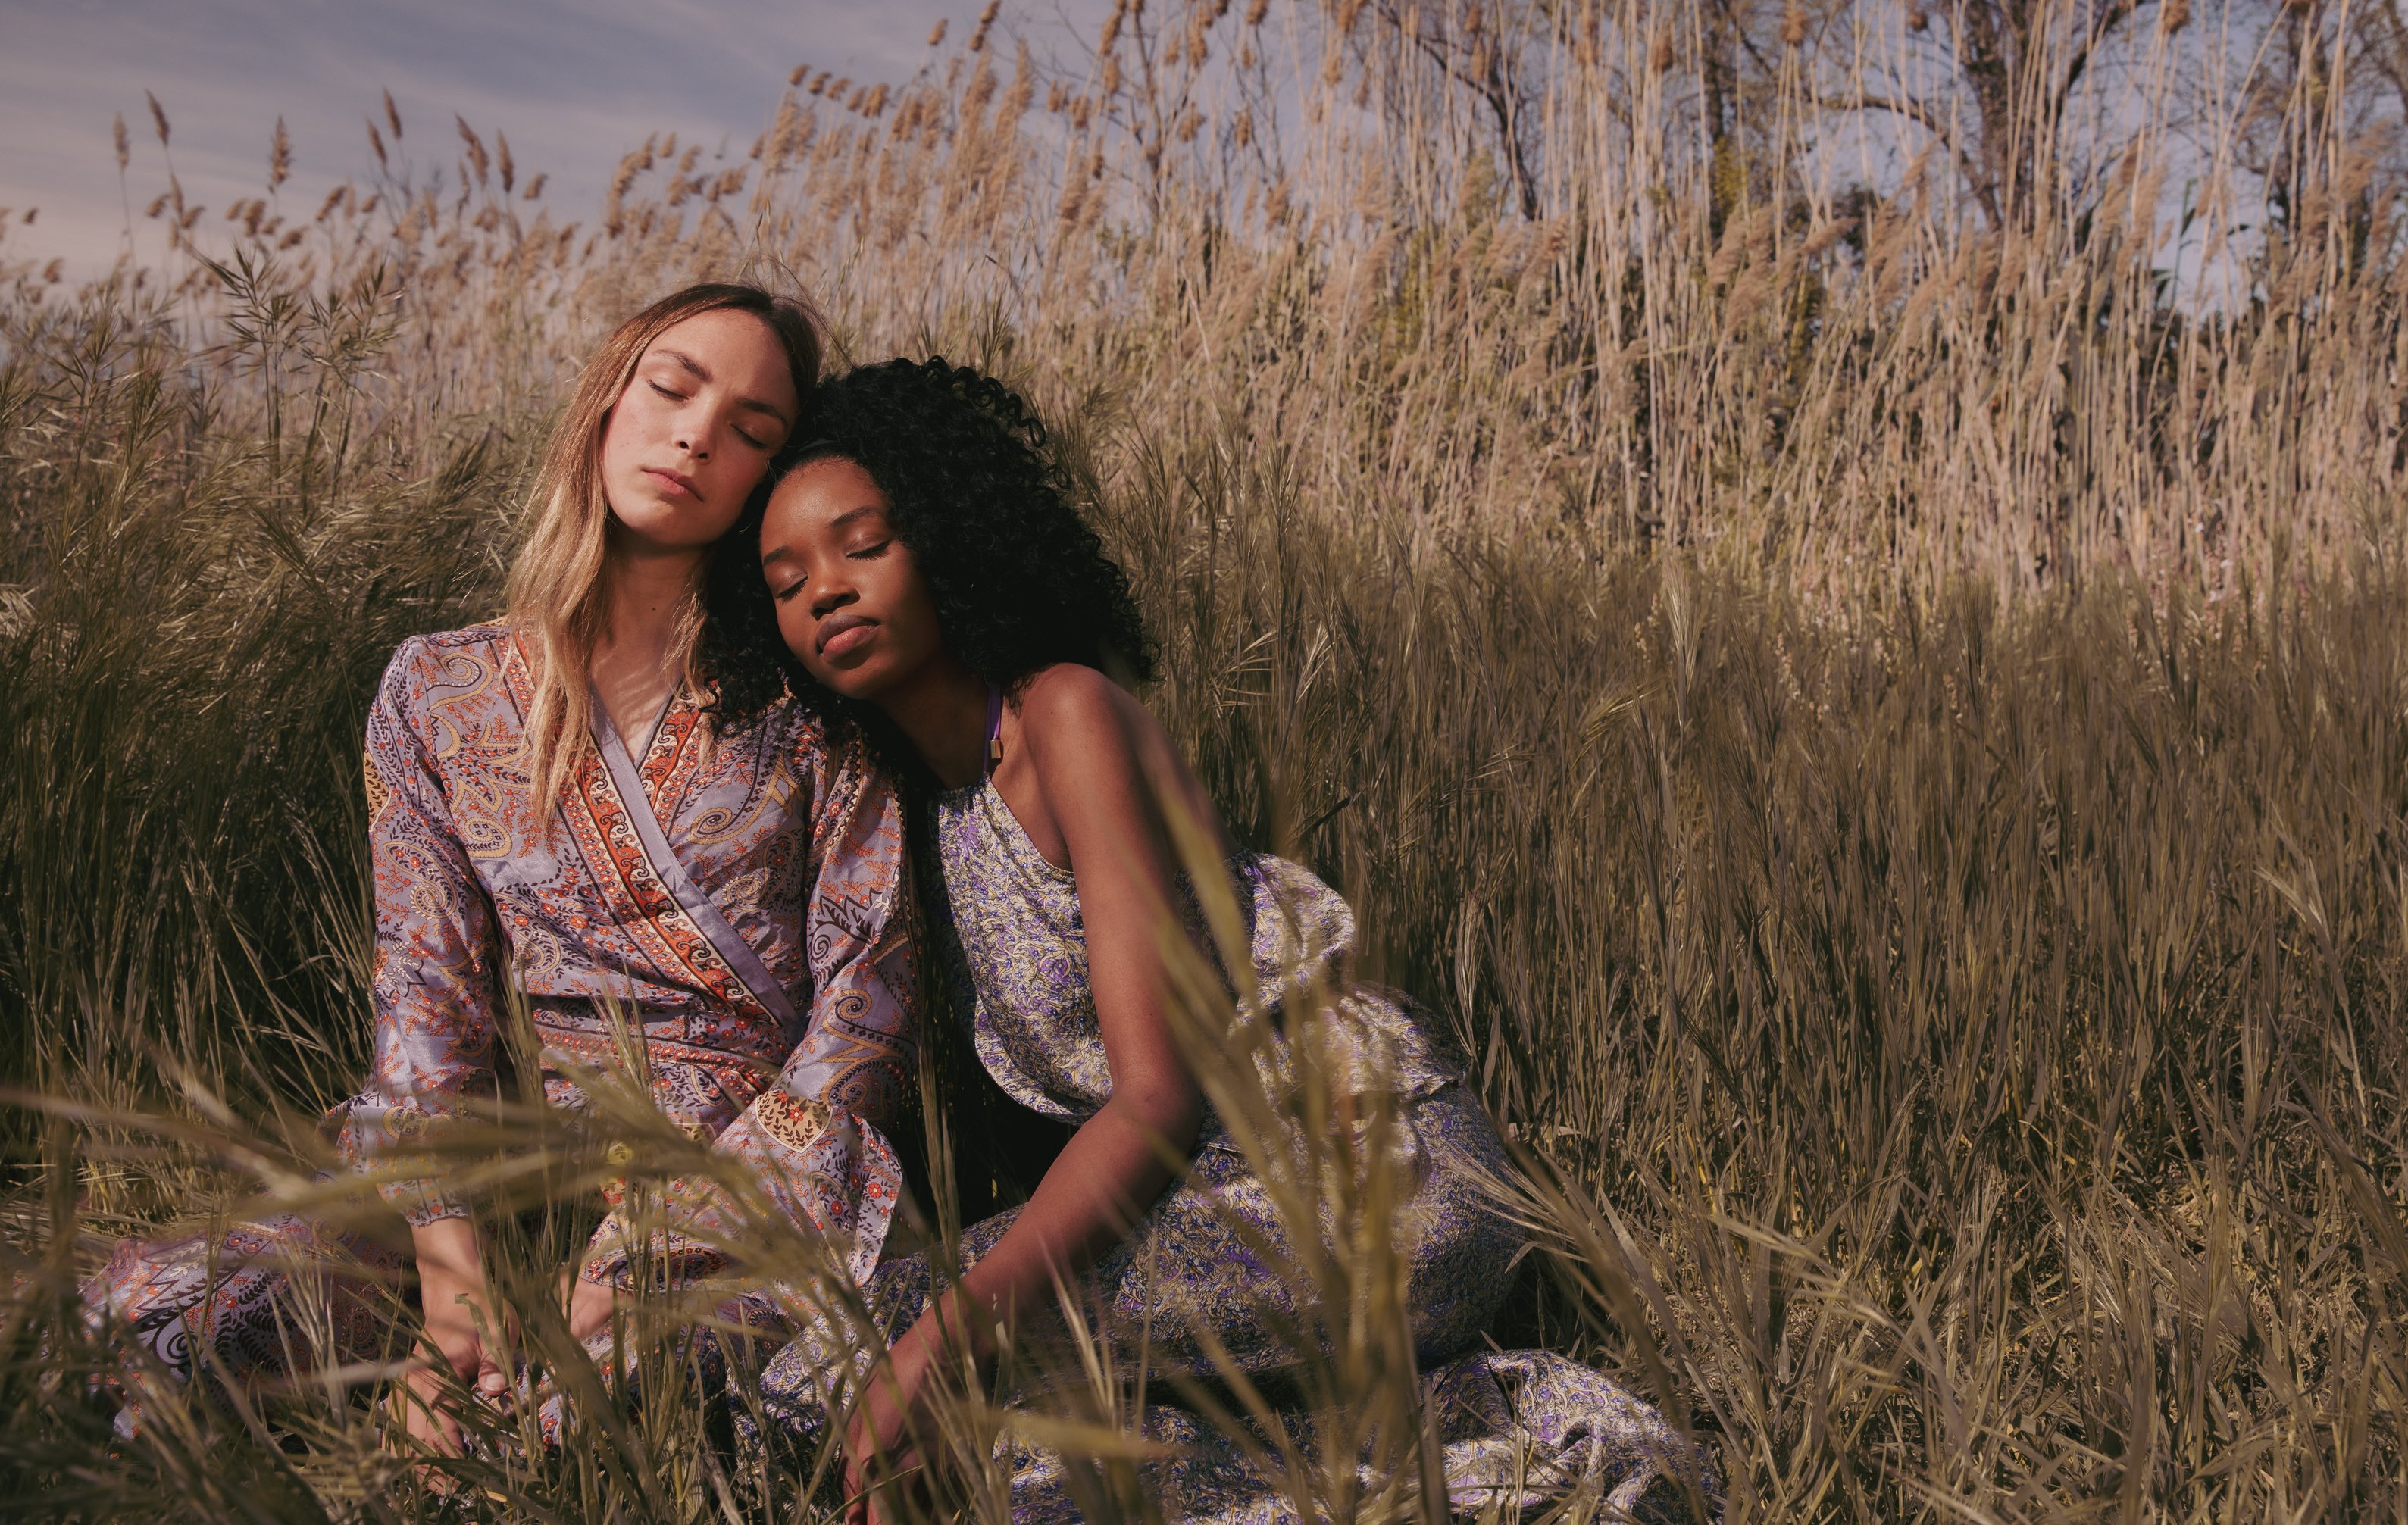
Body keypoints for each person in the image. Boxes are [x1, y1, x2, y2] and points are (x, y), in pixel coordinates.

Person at [699, 356, 1709, 1523]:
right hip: (1219, 1205)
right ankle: (1403, 1459)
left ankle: (1550, 1461)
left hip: (1376, 1179)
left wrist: (947, 1343)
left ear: (943, 537)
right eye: (786, 580)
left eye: (862, 544)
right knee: (833, 1360)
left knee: (907, 1347)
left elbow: (1155, 1101)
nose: (826, 590)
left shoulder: (1064, 714)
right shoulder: (923, 810)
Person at [82, 283, 918, 1456]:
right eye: (674, 389)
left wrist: (665, 1241)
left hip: (737, 1174)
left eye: (751, 431)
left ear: (764, 483)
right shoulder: (435, 689)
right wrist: (451, 1278)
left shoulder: (813, 698)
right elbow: (427, 1002)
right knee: (152, 1323)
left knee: (601, 1416)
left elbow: (870, 1000)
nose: (696, 437)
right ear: (608, 400)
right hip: (503, 1164)